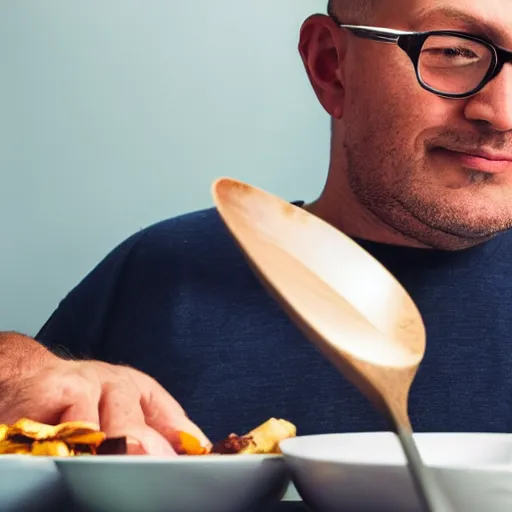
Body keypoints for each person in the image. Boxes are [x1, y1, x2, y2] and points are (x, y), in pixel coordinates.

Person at [3, 0, 512, 455]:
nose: (502, 113)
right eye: (455, 51)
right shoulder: (161, 273)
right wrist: (14, 370)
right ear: (331, 67)